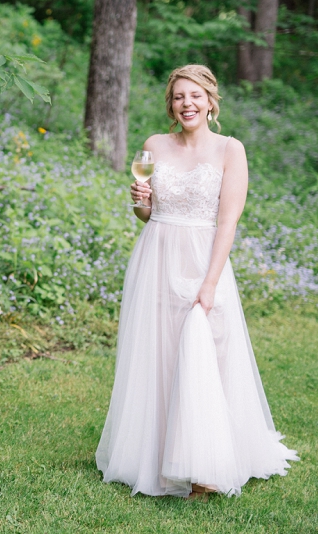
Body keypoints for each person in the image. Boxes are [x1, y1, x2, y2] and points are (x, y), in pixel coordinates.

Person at [95, 64, 298, 499]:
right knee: (162, 354)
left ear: (210, 100)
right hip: (156, 257)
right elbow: (145, 211)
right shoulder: (152, 146)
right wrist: (140, 203)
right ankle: (159, 455)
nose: (186, 103)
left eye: (194, 96)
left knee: (206, 352)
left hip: (206, 258)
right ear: (170, 105)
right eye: (177, 97)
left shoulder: (231, 150)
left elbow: (228, 221)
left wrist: (210, 282)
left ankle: (206, 465)